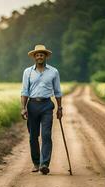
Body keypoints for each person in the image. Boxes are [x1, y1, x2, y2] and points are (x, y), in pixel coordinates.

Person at [20, 44, 63, 175]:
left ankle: (44, 164)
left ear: (46, 57)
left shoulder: (54, 72)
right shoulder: (27, 72)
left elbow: (57, 91)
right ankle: (36, 163)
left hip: (46, 106)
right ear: (34, 57)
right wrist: (23, 108)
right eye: (37, 54)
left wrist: (59, 108)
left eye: (42, 54)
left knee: (46, 135)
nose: (39, 56)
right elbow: (24, 91)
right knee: (33, 136)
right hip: (32, 105)